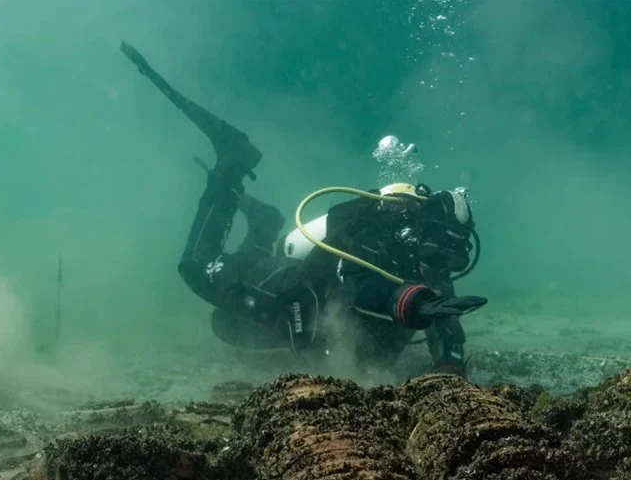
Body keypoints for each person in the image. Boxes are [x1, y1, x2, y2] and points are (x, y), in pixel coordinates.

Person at [122, 42, 485, 377]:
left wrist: (450, 361)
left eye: (451, 256)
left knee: (228, 325)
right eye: (441, 250)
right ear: (426, 230)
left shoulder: (428, 256)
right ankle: (232, 162)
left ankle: (263, 225)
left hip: (308, 299)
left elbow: (444, 309)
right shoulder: (382, 230)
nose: (443, 264)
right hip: (292, 282)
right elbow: (352, 279)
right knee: (197, 267)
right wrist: (409, 303)